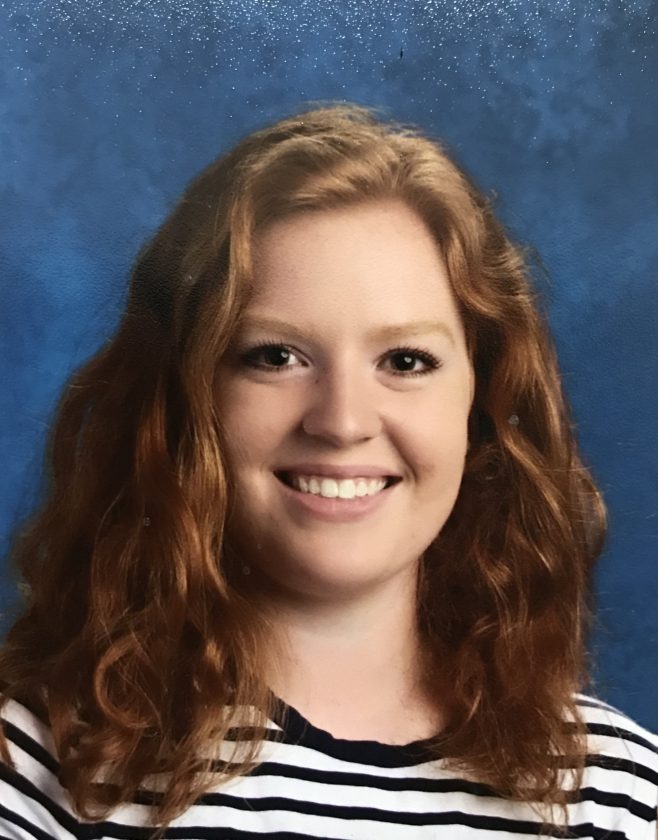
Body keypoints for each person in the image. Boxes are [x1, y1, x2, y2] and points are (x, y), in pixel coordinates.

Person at [0, 102, 656, 840]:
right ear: (185, 399)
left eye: (405, 361)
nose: (342, 422)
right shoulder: (35, 773)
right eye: (275, 356)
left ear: (481, 405)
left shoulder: (620, 799)